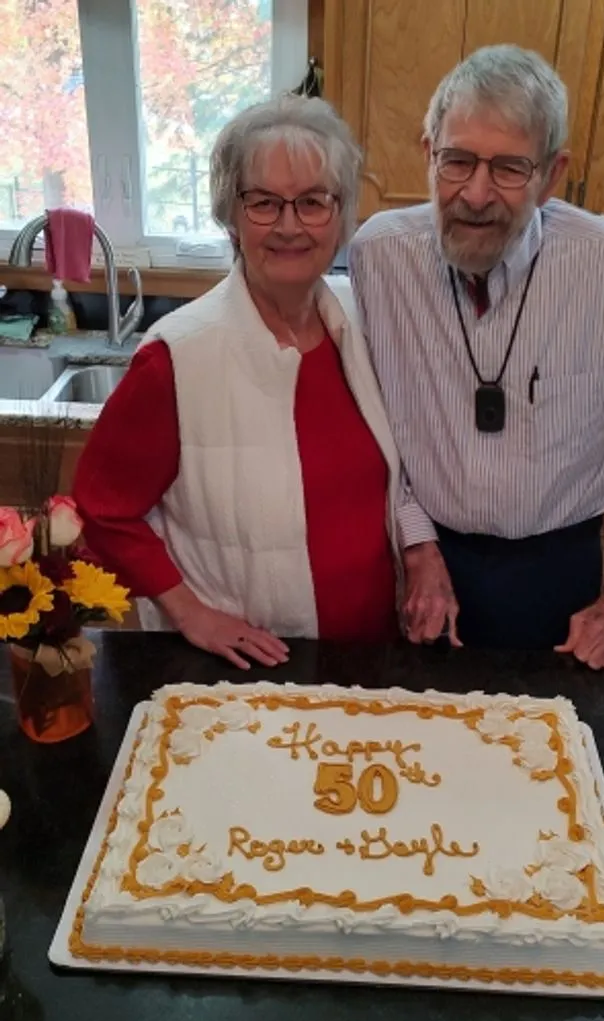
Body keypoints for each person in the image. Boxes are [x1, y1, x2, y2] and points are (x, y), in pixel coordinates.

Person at [348, 45, 604, 671]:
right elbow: (374, 427)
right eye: (457, 160)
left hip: (559, 572)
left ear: (553, 174)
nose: (476, 194)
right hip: (424, 564)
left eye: (510, 168)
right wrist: (416, 544)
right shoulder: (378, 256)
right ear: (428, 152)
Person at [74, 95, 402, 669]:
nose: (289, 226)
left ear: (342, 214)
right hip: (248, 670)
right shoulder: (178, 357)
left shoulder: (364, 327)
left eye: (313, 202)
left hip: (374, 652)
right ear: (231, 213)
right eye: (264, 203)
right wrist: (189, 613)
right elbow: (102, 510)